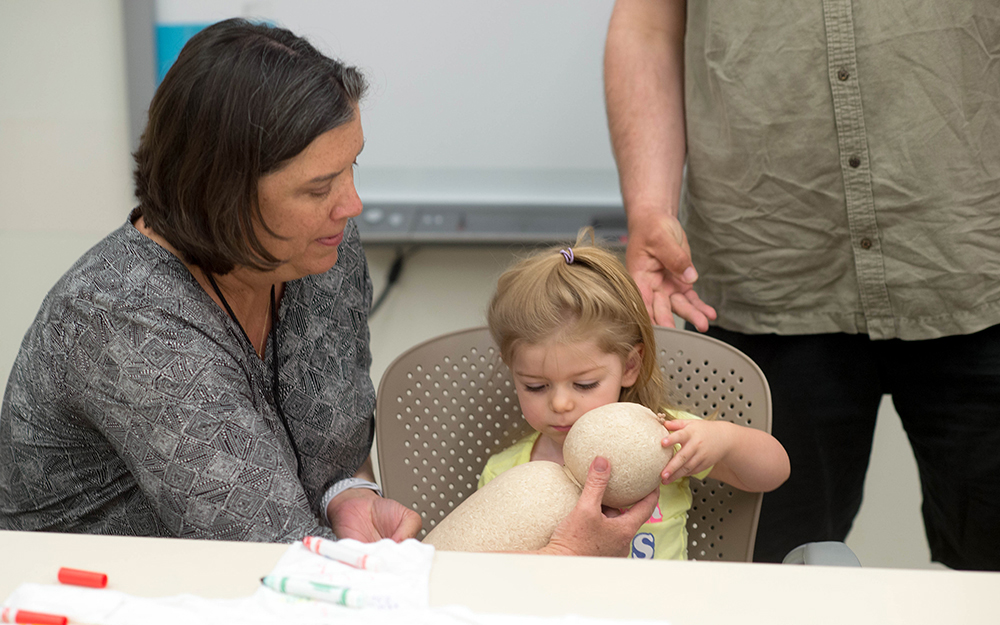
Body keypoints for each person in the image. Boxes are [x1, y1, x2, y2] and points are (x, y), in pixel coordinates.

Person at [0, 19, 650, 556]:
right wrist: (564, 560)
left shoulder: (318, 252)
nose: (353, 204)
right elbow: (274, 556)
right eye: (319, 187)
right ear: (223, 197)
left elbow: (332, 451)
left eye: (351, 169)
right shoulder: (125, 323)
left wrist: (351, 495)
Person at [604, 0, 1000, 569]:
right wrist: (649, 207)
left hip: (973, 259)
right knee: (768, 579)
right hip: (764, 272)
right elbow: (648, 25)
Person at [480, 231, 789, 559]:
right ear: (512, 371)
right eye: (535, 386)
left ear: (630, 366)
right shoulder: (507, 473)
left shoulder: (665, 438)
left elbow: (774, 472)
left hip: (663, 608)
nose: (560, 404)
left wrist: (725, 441)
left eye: (584, 384)